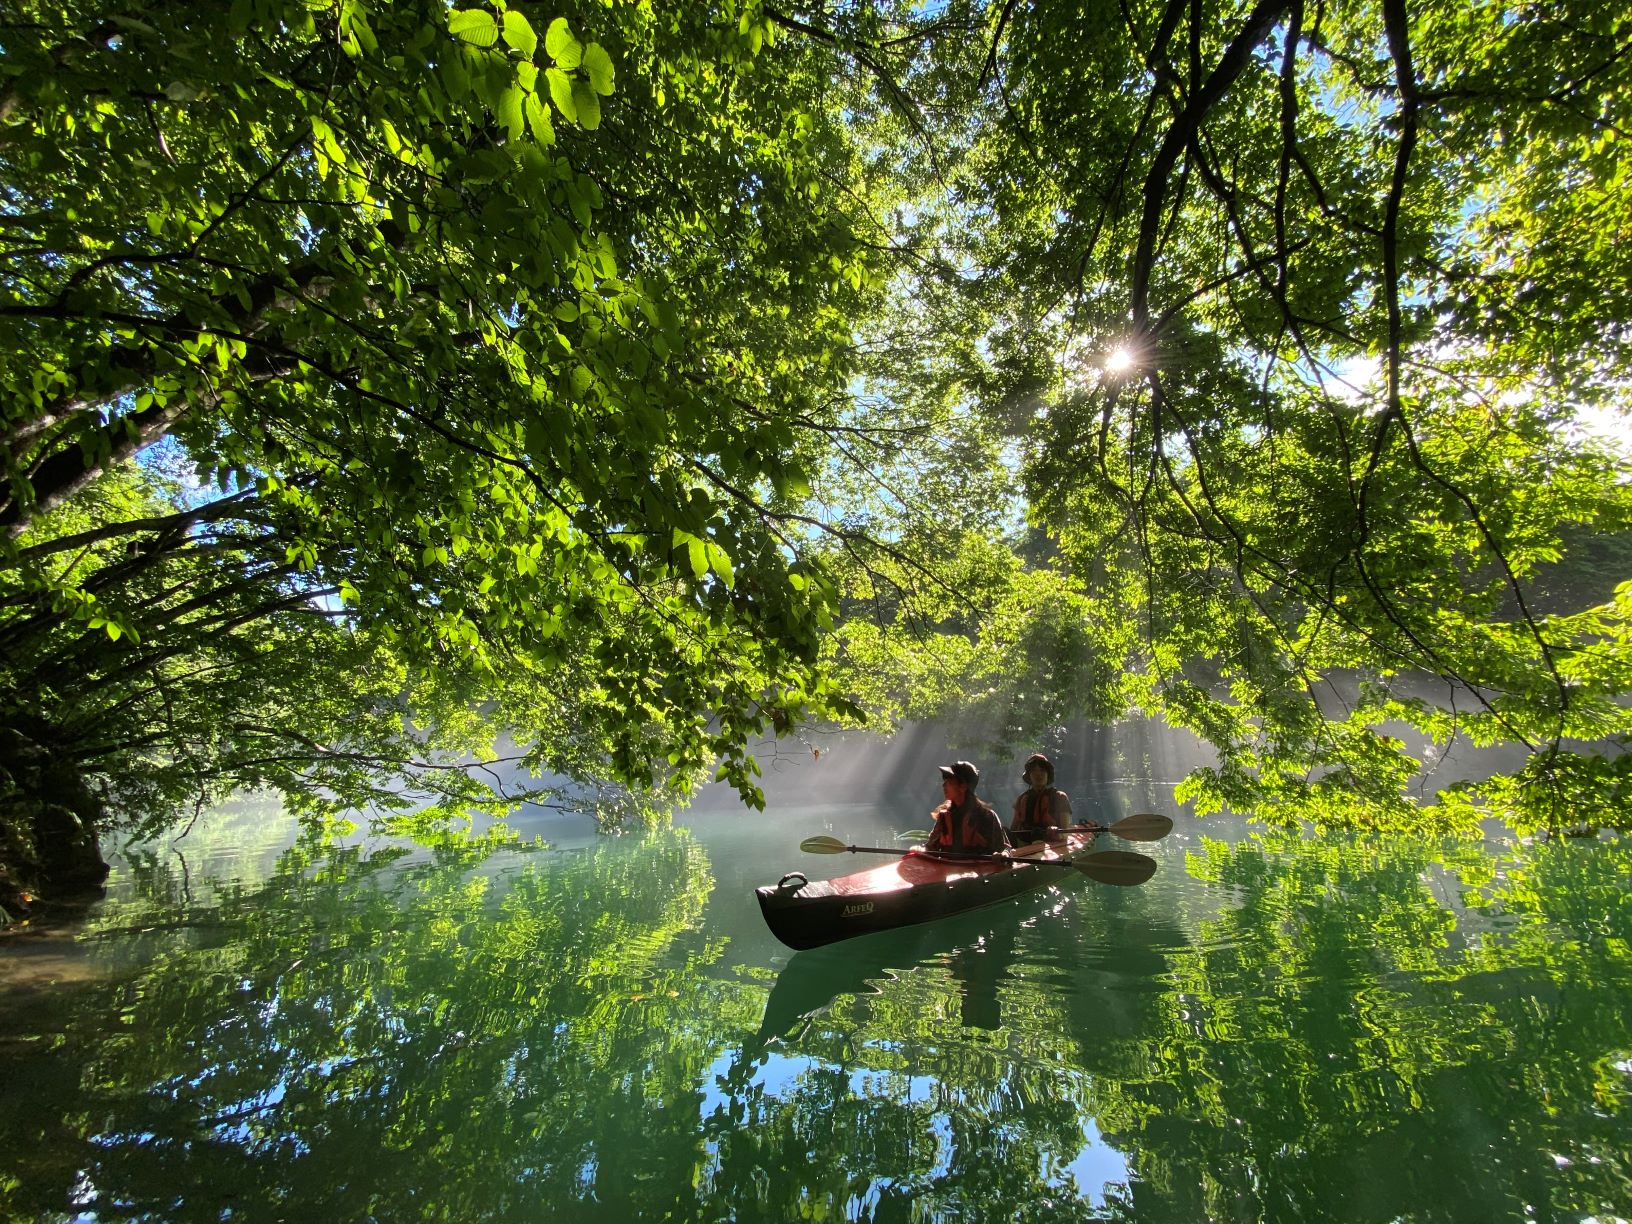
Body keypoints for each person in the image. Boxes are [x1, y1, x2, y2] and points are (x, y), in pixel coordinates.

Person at [925, 761, 1009, 854]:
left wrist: (1003, 855)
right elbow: (929, 848)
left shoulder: (986, 816)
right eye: (944, 781)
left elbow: (1005, 849)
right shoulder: (944, 817)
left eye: (949, 782)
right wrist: (919, 851)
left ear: (963, 786)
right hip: (949, 867)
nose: (943, 785)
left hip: (978, 867)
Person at [1009, 752, 1074, 845]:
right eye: (1034, 771)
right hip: (1025, 843)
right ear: (1029, 776)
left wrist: (1057, 832)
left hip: (1051, 842)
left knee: (1038, 833)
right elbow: (1013, 829)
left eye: (1042, 770)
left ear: (1048, 775)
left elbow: (1065, 832)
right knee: (1005, 831)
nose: (1038, 774)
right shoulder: (1021, 799)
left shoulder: (1060, 797)